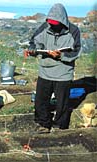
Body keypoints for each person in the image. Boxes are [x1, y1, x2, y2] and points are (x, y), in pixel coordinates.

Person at [26, 3, 81, 133]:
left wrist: (61, 55)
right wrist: (33, 50)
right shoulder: (45, 27)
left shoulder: (74, 31)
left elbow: (76, 52)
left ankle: (59, 126)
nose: (52, 26)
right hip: (45, 71)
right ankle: (43, 123)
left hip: (63, 73)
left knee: (62, 103)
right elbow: (33, 42)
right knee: (40, 100)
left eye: (55, 23)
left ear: (62, 21)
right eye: (51, 23)